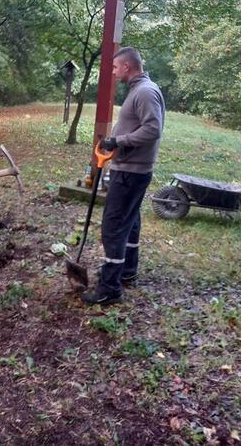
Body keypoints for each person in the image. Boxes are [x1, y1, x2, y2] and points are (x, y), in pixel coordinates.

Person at [82, 47, 165, 305]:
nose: (114, 72)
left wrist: (118, 140)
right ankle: (125, 272)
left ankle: (109, 288)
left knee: (114, 226)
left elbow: (153, 130)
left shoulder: (145, 92)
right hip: (130, 168)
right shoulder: (139, 90)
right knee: (130, 222)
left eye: (116, 67)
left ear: (127, 66)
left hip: (131, 171)